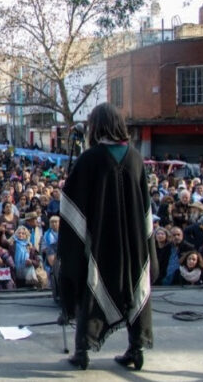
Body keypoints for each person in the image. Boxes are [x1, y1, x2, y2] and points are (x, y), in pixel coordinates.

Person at [58, 103, 157, 371]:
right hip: (132, 242)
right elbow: (145, 207)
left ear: (96, 126)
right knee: (135, 289)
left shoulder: (90, 159)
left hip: (100, 241)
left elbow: (71, 207)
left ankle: (82, 351)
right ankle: (136, 349)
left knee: (88, 286)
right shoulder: (135, 158)